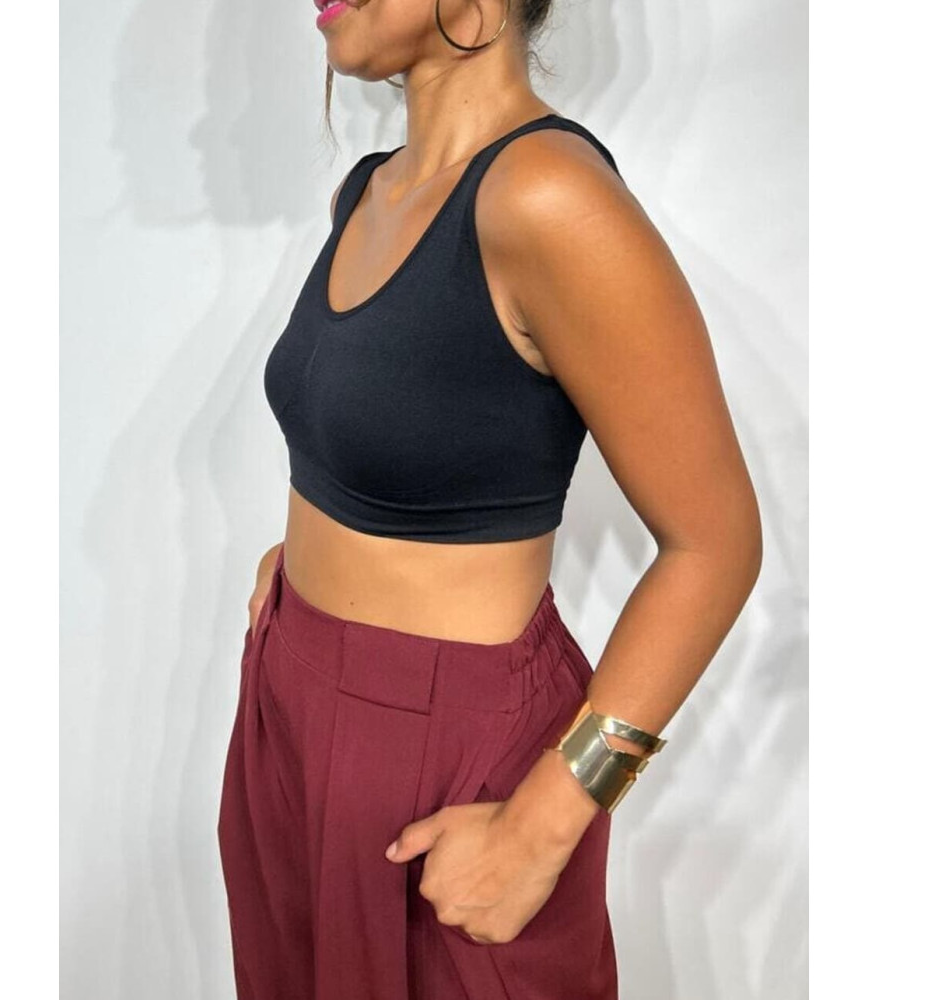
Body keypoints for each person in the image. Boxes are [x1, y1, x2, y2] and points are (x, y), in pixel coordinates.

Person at [217, 1, 763, 998]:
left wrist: (546, 822)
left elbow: (715, 545)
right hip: (287, 702)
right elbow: (404, 430)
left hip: (447, 755)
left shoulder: (549, 197)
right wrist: (306, 556)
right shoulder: (368, 191)